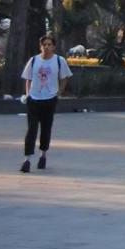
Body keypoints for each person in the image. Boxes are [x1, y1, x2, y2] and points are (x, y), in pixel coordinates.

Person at [19, 34, 72, 172]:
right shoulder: (34, 60)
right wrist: (28, 94)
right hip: (34, 99)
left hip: (50, 99)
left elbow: (64, 78)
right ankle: (27, 159)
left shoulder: (59, 61)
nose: (47, 47)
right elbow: (28, 78)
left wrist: (58, 93)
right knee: (31, 129)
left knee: (46, 128)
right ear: (40, 46)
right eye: (44, 45)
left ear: (54, 47)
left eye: (49, 45)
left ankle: (43, 154)